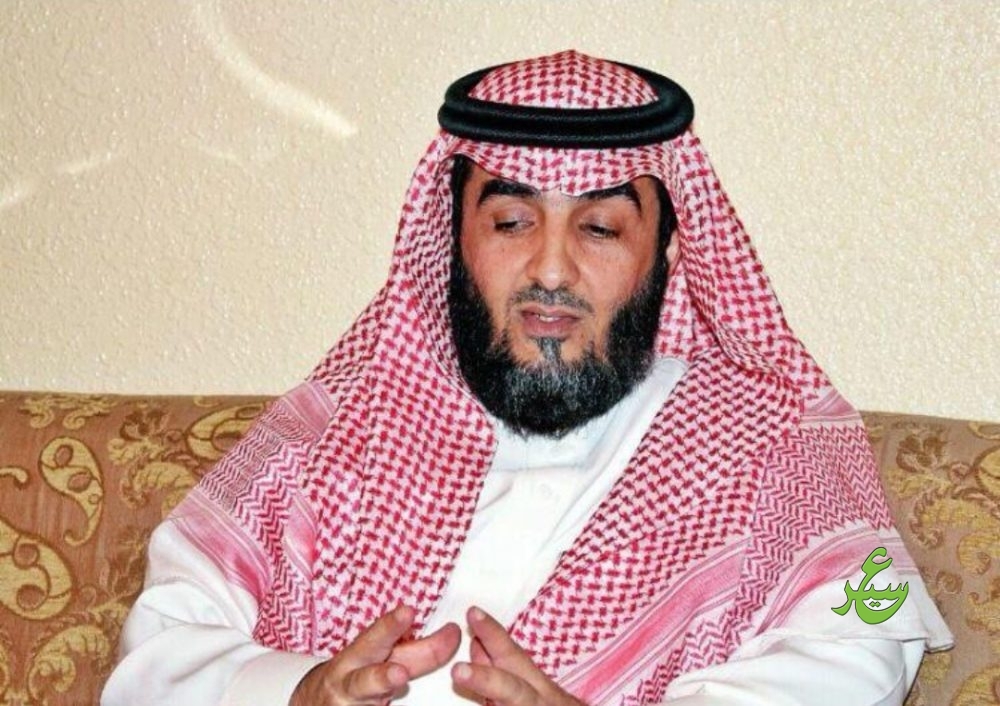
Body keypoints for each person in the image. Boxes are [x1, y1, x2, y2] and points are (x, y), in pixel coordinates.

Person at [102, 50, 952, 706]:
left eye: (600, 228)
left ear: (666, 251)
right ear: (455, 238)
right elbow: (166, 635)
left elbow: (868, 634)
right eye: (511, 221)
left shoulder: (767, 437)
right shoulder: (336, 422)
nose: (551, 270)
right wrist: (297, 692)